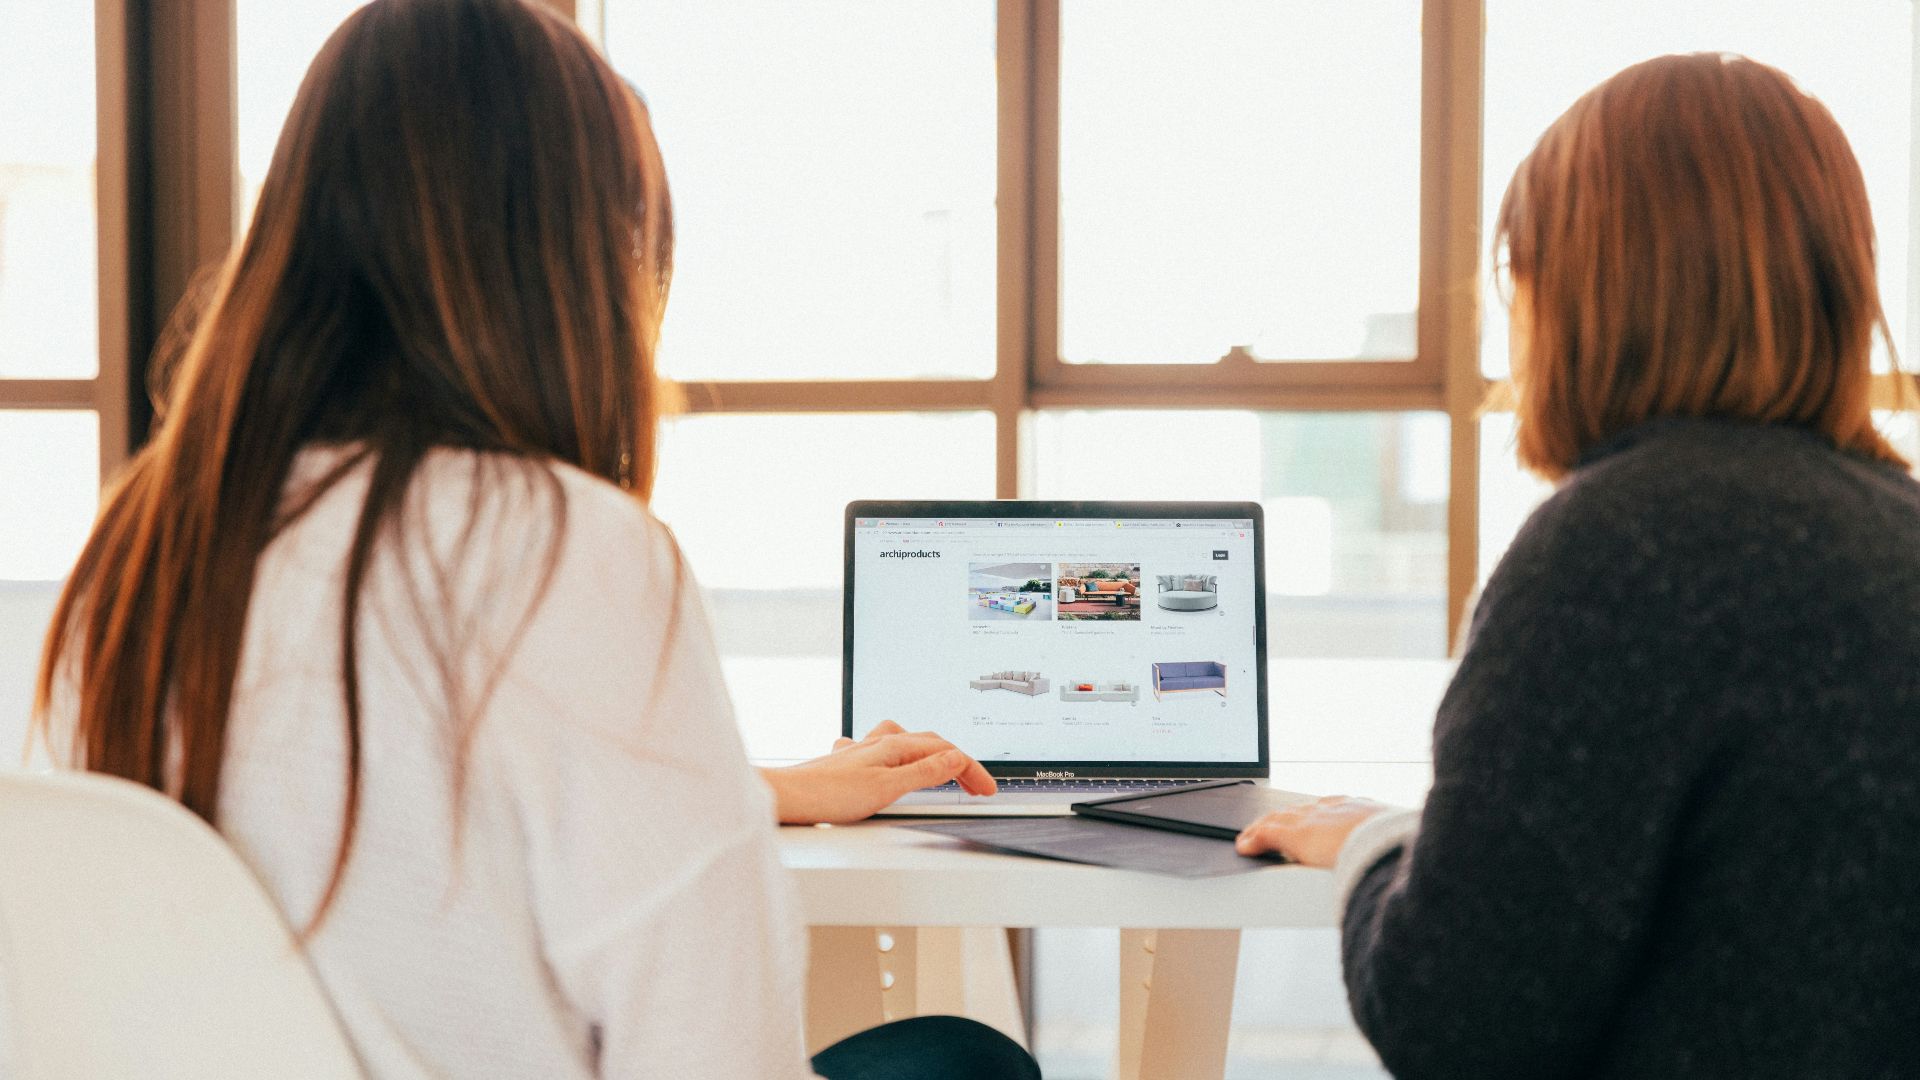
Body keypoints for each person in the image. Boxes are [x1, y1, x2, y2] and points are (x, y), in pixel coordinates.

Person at [31, 1, 1037, 1077]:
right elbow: (714, 1044)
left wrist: (761, 791)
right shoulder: (567, 549)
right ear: (574, 262)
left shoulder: (140, 550)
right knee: (963, 1058)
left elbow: (387, 825)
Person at [1235, 53, 1920, 1078]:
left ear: (1576, 288)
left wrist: (1380, 849)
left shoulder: (1619, 545)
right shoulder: (1897, 526)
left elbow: (1453, 1021)